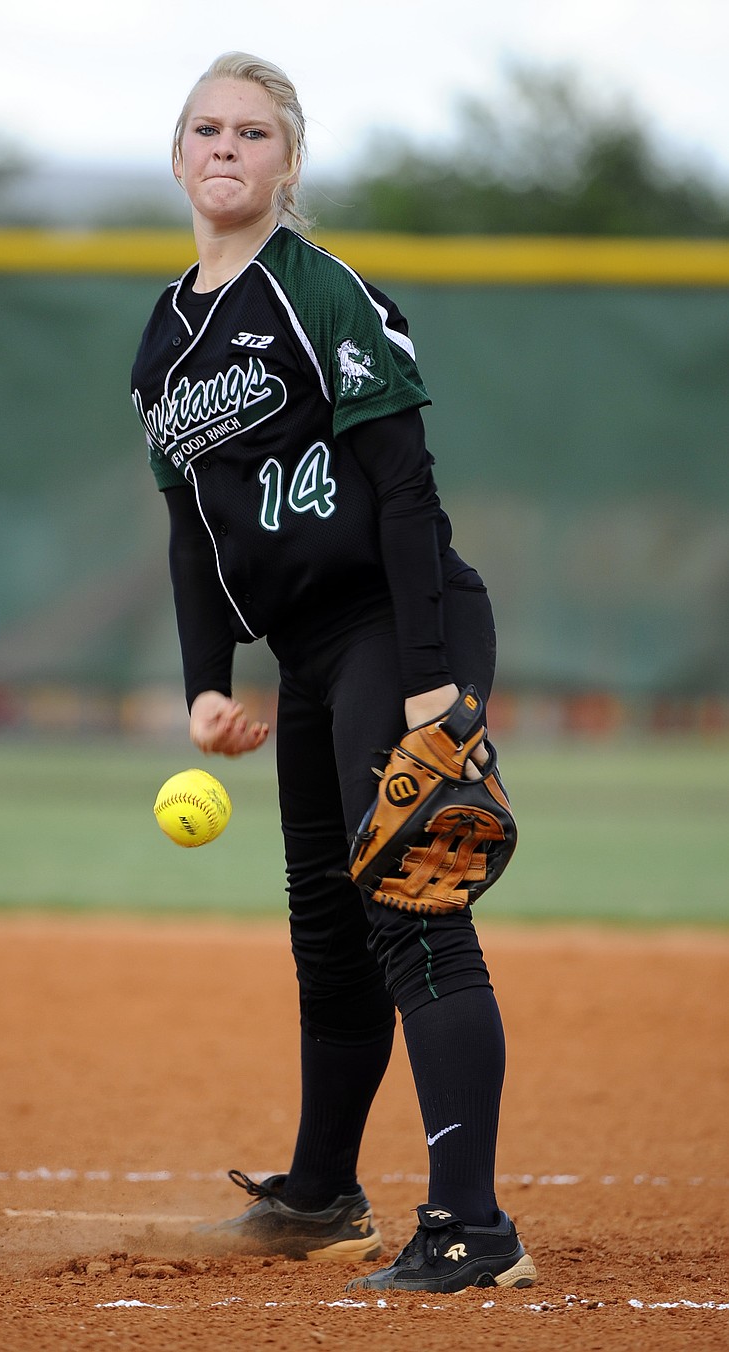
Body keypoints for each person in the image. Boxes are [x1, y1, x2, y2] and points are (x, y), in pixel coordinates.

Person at [130, 51, 536, 1295]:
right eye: (205, 129)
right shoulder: (165, 337)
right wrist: (208, 676)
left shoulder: (322, 293)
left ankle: (470, 1226)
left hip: (395, 627)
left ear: (286, 163)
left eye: (253, 132)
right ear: (180, 154)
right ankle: (320, 1194)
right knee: (327, 928)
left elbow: (406, 493)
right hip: (307, 654)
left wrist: (427, 681)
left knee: (413, 905)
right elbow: (191, 526)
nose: (226, 149)